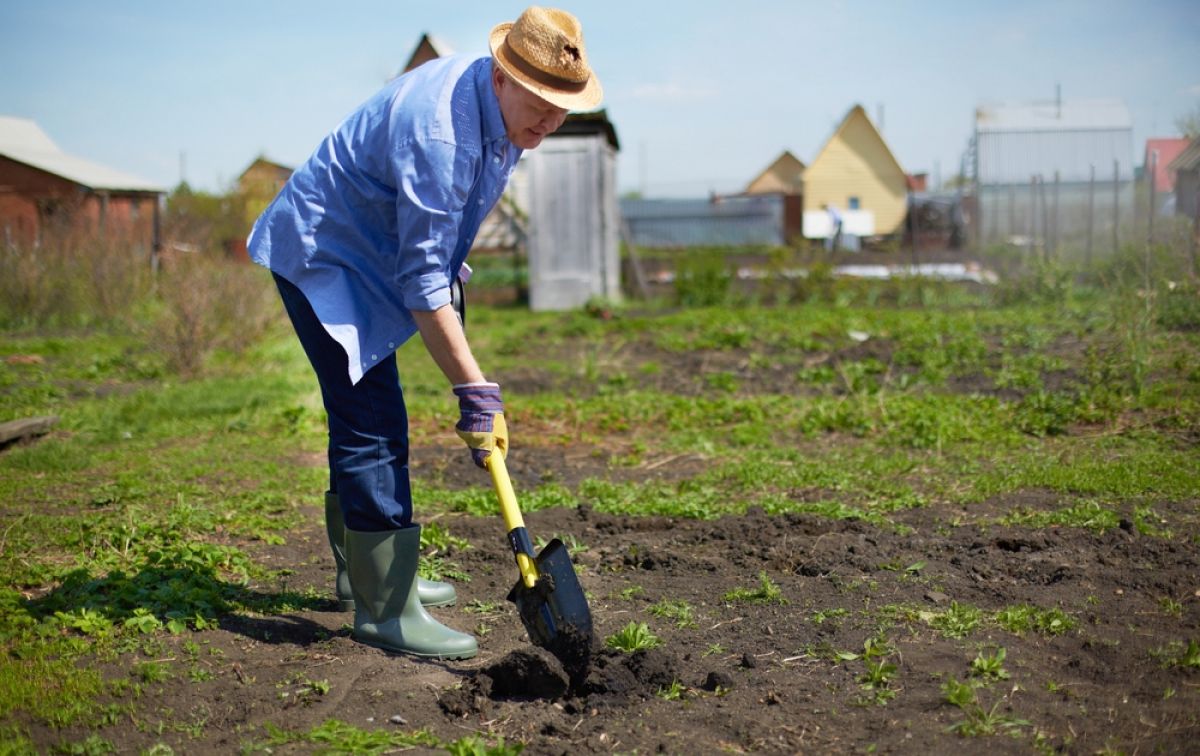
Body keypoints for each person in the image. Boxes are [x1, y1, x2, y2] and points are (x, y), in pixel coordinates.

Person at [247, 7, 602, 660]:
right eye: (543, 102)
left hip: (367, 253)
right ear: (502, 75)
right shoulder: (442, 132)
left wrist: (469, 374)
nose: (552, 120)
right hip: (323, 254)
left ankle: (365, 579)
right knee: (372, 419)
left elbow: (440, 246)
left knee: (363, 413)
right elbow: (423, 282)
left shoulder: (501, 119)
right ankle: (386, 610)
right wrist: (474, 388)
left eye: (564, 106)